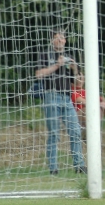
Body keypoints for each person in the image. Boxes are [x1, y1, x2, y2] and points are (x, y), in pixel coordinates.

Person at [35, 28, 87, 175]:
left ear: (65, 40)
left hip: (67, 98)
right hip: (51, 97)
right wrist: (56, 65)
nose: (60, 40)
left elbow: (77, 83)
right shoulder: (45, 55)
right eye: (57, 37)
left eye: (62, 37)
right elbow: (38, 75)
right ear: (52, 40)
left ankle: (79, 166)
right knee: (54, 134)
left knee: (75, 131)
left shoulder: (69, 56)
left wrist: (75, 69)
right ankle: (53, 169)